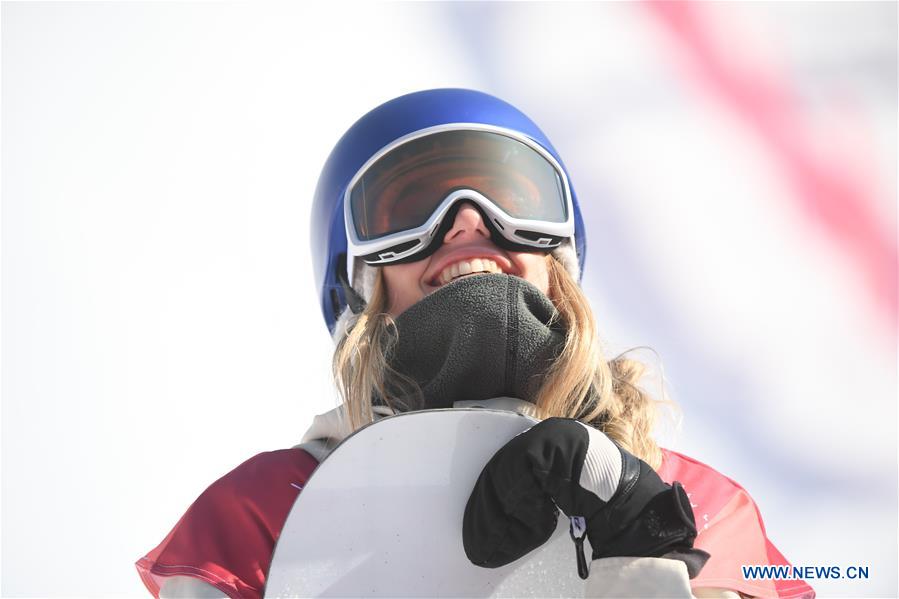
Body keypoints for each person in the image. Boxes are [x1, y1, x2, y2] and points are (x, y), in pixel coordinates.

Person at [135, 89, 815, 599]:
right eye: (405, 209)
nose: (464, 222)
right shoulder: (262, 512)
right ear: (356, 284)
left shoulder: (696, 505)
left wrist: (644, 554)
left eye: (511, 198)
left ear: (558, 262)